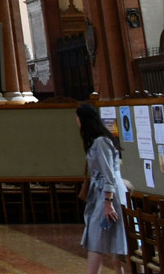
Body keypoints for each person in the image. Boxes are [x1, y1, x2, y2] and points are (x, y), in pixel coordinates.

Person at [76, 102, 127, 274]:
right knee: (97, 238)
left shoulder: (101, 142)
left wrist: (108, 202)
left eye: (78, 118)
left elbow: (108, 173)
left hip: (109, 196)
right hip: (101, 194)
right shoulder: (96, 141)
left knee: (103, 238)